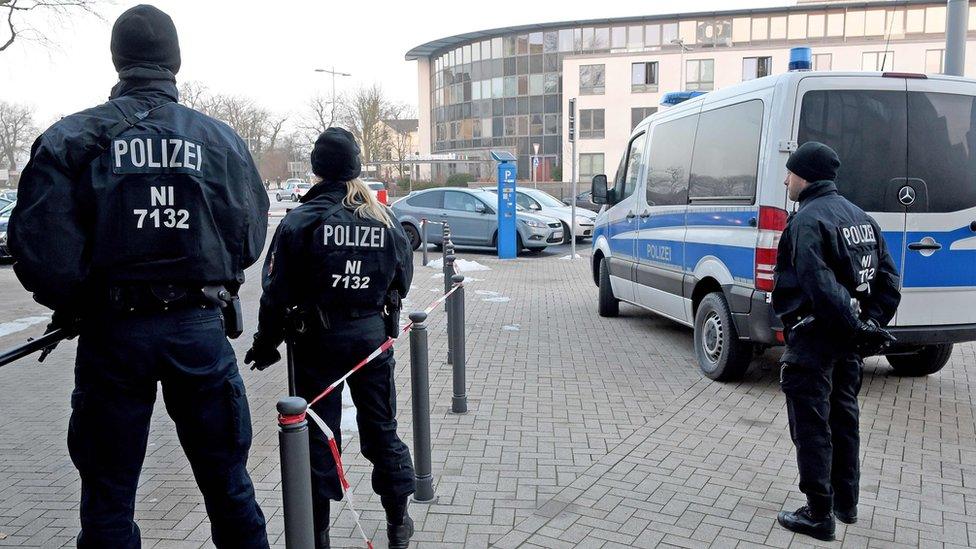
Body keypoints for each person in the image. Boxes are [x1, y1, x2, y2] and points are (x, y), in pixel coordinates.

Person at [8, 5, 270, 548]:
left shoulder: (72, 137)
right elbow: (247, 239)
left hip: (112, 335)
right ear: (175, 61)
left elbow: (39, 249)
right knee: (228, 487)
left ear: (117, 59)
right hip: (198, 332)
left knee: (107, 497)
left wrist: (85, 298)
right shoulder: (222, 142)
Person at [246, 128, 416, 549]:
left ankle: (316, 535)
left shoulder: (300, 221)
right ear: (355, 168)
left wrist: (265, 344)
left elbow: (275, 293)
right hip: (371, 341)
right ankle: (398, 521)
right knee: (381, 429)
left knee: (318, 438)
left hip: (316, 344)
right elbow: (402, 281)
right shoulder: (384, 219)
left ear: (317, 168)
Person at [772, 142, 900, 541]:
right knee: (844, 419)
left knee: (811, 426)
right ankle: (847, 503)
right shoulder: (860, 217)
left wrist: (854, 325)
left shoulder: (808, 220)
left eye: (790, 173)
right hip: (847, 342)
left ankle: (818, 513)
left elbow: (818, 283)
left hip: (815, 339)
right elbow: (889, 280)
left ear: (805, 175)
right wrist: (869, 323)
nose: (786, 179)